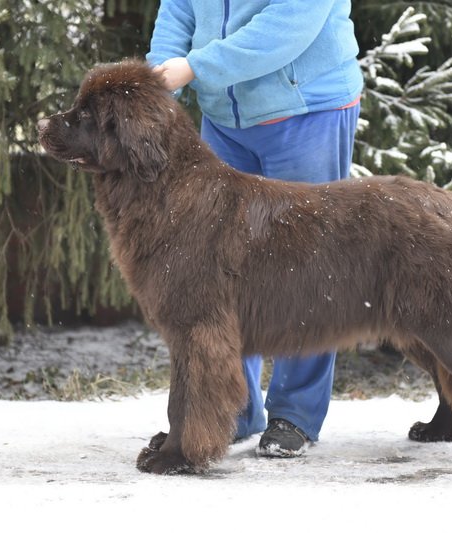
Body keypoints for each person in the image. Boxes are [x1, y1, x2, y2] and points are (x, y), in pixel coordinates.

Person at [147, 0, 364, 457]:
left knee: (308, 269)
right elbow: (179, 9)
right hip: (226, 120)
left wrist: (195, 66)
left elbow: (292, 22)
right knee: (218, 274)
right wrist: (156, 78)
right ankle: (232, 409)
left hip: (306, 110)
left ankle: (295, 414)